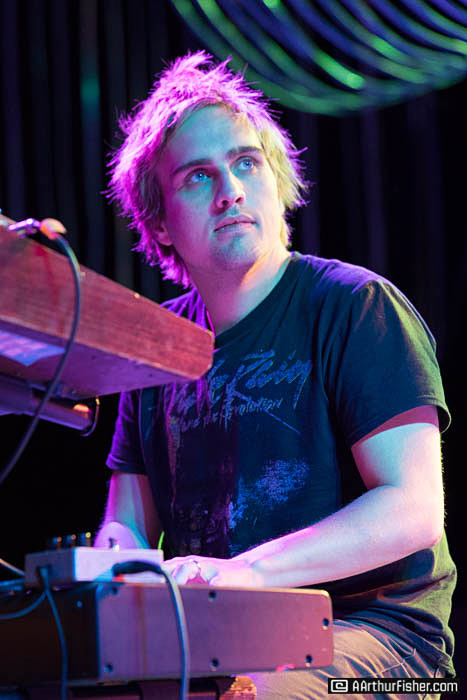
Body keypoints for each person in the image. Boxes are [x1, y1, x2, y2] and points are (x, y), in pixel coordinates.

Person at [95, 52, 456, 698]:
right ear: (159, 223)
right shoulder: (156, 345)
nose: (230, 190)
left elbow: (412, 508)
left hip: (381, 643)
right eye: (198, 177)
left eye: (245, 163)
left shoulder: (355, 306)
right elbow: (127, 525)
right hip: (220, 636)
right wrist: (97, 582)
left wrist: (246, 573)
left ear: (276, 180)